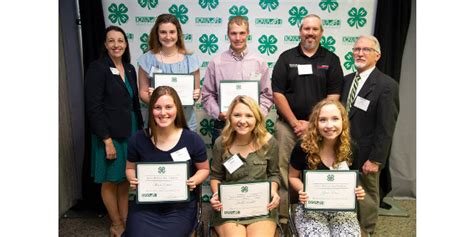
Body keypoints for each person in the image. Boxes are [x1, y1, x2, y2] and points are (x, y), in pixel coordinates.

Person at [271, 14, 344, 225]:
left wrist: (312, 124)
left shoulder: (331, 60)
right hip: (287, 126)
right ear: (300, 31)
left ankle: (317, 211)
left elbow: (333, 97)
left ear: (321, 32)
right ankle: (284, 217)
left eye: (315, 29)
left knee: (317, 169)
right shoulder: (286, 58)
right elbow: (278, 94)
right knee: (285, 170)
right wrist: (295, 122)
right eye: (306, 29)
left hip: (322, 128)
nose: (310, 33)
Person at [124, 86, 210, 236]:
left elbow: (204, 169)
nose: (163, 113)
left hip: (179, 206)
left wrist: (194, 180)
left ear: (177, 109)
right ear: (151, 110)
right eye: (158, 107)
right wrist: (133, 179)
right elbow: (129, 168)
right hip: (147, 205)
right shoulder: (137, 139)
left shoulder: (192, 140)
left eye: (168, 107)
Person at [84, 25, 144, 236]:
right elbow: (93, 107)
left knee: (124, 179)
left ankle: (126, 220)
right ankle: (116, 224)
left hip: (130, 131)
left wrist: (141, 132)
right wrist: (106, 140)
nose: (116, 45)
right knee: (110, 180)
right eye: (111, 41)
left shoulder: (129, 69)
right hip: (108, 135)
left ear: (126, 44)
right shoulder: (98, 68)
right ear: (105, 44)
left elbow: (134, 103)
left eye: (120, 40)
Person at [340, 35, 399, 236]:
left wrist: (375, 159)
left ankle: (367, 232)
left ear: (377, 55)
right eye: (357, 49)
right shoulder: (347, 80)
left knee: (366, 199)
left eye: (366, 50)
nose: (360, 53)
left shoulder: (386, 85)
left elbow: (386, 127)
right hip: (342, 152)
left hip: (367, 155)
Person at [288, 99, 365, 237]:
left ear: (343, 121)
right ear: (315, 123)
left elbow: (353, 180)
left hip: (342, 209)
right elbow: (292, 177)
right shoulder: (303, 147)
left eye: (335, 119)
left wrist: (357, 191)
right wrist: (303, 189)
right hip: (311, 209)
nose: (329, 125)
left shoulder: (352, 148)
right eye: (323, 120)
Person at [209, 95, 280, 237]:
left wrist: (273, 191)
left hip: (261, 207)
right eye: (237, 115)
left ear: (257, 118)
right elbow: (216, 176)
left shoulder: (269, 143)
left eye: (249, 115)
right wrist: (217, 194)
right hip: (230, 207)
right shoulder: (221, 143)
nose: (242, 121)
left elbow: (274, 174)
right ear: (229, 117)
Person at [201, 16, 273, 145]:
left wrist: (256, 114)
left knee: (253, 164)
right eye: (234, 33)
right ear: (228, 34)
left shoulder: (259, 62)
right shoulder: (216, 63)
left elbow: (267, 95)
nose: (238, 38)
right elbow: (207, 95)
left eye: (242, 33)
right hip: (224, 125)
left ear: (248, 34)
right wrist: (219, 113)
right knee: (223, 164)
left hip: (253, 127)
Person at [137, 13, 201, 131]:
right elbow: (142, 92)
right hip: (158, 122)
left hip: (185, 122)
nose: (168, 36)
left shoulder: (191, 60)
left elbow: (196, 91)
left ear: (178, 33)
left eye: (172, 32)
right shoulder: (146, 59)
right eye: (163, 32)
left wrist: (196, 95)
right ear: (157, 33)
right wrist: (153, 98)